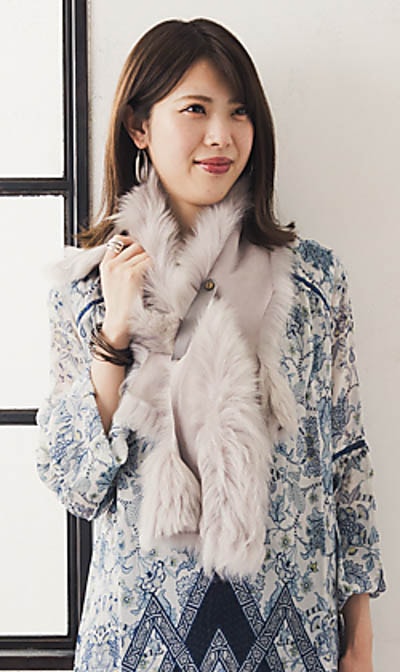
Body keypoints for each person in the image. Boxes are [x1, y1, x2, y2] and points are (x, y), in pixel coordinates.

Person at [37, 17, 386, 672]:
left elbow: (346, 465)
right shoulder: (85, 292)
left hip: (291, 642)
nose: (222, 135)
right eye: (195, 109)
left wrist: (360, 641)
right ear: (139, 126)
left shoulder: (313, 284)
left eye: (239, 112)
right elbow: (76, 485)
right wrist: (115, 333)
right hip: (135, 647)